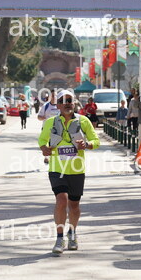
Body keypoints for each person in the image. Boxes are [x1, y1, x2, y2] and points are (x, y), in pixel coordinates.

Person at [38, 90, 100, 255]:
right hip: (57, 169)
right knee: (61, 201)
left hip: (76, 169)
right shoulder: (50, 122)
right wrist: (44, 148)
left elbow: (96, 140)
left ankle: (72, 233)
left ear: (74, 103)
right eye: (62, 101)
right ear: (57, 105)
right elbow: (42, 140)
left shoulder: (83, 121)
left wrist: (87, 145)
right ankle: (59, 238)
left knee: (74, 205)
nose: (66, 104)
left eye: (69, 100)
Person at [37, 90, 61, 164]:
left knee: (55, 144)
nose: (54, 97)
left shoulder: (60, 105)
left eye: (55, 95)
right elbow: (39, 117)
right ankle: (47, 157)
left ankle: (55, 157)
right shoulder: (46, 106)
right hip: (46, 127)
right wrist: (44, 117)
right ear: (49, 97)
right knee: (46, 142)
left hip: (57, 129)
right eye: (52, 96)